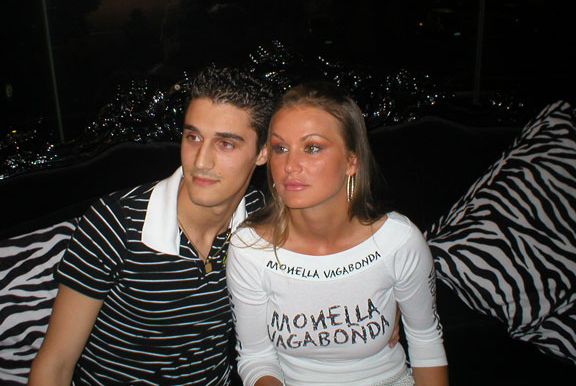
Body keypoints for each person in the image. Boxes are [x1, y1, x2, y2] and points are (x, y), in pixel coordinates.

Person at [28, 65, 275, 386]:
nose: (201, 160)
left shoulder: (260, 218)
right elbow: (56, 363)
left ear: (262, 152)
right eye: (193, 137)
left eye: (225, 144)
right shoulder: (117, 223)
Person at [226, 82, 448, 386]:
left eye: (312, 148)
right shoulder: (250, 249)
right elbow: (255, 357)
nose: (290, 165)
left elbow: (425, 341)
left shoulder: (398, 241)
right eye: (280, 148)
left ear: (351, 161)